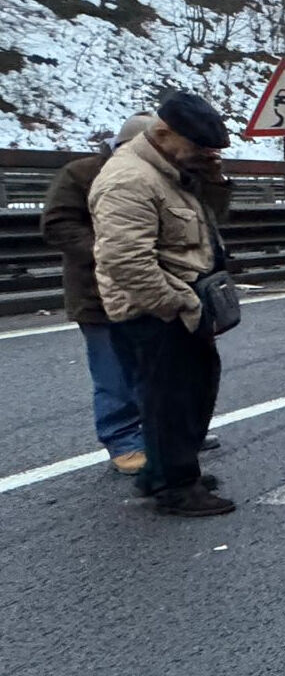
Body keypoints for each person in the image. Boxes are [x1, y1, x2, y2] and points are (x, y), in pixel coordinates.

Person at [90, 93, 236, 518]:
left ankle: (164, 472)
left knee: (191, 390)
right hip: (156, 311)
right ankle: (176, 487)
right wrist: (180, 305)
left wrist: (211, 177)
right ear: (162, 134)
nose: (204, 155)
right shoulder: (129, 181)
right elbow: (126, 262)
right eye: (198, 147)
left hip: (183, 302)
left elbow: (212, 224)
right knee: (170, 398)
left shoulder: (172, 172)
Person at [41, 114, 158, 474]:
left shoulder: (162, 173)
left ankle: (163, 433)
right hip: (96, 292)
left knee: (159, 368)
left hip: (149, 288)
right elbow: (58, 224)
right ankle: (123, 440)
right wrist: (110, 251)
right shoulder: (80, 174)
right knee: (114, 373)